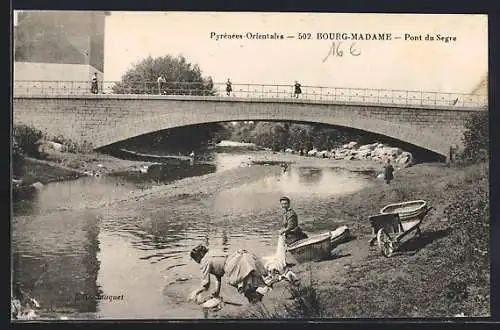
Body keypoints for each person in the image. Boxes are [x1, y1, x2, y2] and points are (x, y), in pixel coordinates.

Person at [188, 245, 271, 304]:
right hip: (243, 257)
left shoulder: (204, 261)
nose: (197, 261)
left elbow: (206, 284)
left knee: (248, 291)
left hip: (235, 265)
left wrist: (195, 292)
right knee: (252, 288)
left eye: (196, 259)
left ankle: (256, 310)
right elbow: (218, 277)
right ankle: (260, 306)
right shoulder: (212, 253)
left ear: (200, 255)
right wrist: (217, 293)